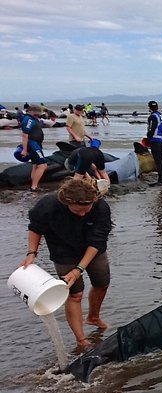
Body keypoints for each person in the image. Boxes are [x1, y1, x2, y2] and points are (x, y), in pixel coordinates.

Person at [22, 178, 112, 346]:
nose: (83, 215)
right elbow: (35, 227)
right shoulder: (48, 206)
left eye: (87, 210)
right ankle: (81, 340)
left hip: (93, 248)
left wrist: (79, 268)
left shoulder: (100, 207)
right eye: (78, 211)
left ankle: (93, 317)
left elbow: (97, 240)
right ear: (67, 202)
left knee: (102, 283)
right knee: (75, 294)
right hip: (62, 251)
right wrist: (31, 253)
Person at [20, 104, 47, 192]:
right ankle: (34, 187)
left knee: (35, 165)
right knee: (42, 165)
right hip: (32, 143)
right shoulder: (28, 119)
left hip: (36, 144)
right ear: (31, 111)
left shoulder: (33, 119)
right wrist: (24, 150)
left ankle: (33, 185)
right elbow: (25, 135)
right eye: (36, 112)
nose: (38, 114)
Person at [146, 100, 162, 186]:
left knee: (158, 161)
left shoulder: (152, 117)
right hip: (161, 139)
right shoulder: (161, 116)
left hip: (155, 140)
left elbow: (151, 129)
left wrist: (148, 137)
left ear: (149, 107)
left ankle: (160, 180)